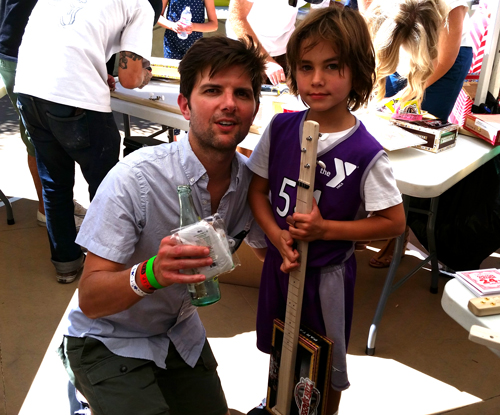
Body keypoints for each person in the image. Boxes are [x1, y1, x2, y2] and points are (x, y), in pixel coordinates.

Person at [58, 36, 267, 415]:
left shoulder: (250, 187)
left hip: (177, 332)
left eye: (243, 93)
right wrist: (153, 272)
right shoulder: (135, 179)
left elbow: (274, 255)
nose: (229, 104)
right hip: (106, 339)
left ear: (254, 109)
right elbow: (90, 298)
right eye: (213, 90)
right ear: (185, 105)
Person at [247, 7, 405, 414]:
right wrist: (275, 234)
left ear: (355, 71)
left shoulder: (366, 152)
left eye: (332, 66)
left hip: (327, 278)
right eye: (306, 67)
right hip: (281, 267)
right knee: (282, 348)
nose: (316, 79)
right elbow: (258, 192)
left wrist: (325, 230)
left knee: (323, 363)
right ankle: (279, 402)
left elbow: (393, 223)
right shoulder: (280, 129)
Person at [14, 0, 166, 284]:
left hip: (29, 88)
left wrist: (96, 72)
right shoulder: (143, 5)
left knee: (54, 183)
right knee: (108, 187)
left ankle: (66, 264)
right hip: (72, 98)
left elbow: (68, 39)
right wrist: (144, 74)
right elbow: (131, 79)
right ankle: (108, 264)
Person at [359, 0, 473, 267]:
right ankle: (375, 216)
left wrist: (413, 89)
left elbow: (444, 56)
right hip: (398, 45)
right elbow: (369, 21)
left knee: (415, 149)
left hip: (442, 62)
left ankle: (400, 229)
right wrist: (381, 78)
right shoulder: (392, 29)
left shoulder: (448, 8)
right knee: (381, 132)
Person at [0, 0, 45, 224]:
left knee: (39, 134)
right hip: (22, 55)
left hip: (20, 52)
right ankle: (48, 210)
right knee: (40, 136)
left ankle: (52, 207)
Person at [227, 0, 307, 85]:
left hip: (284, 49)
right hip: (247, 48)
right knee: (243, 93)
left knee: (288, 95)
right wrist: (266, 60)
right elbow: (236, 18)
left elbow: (317, 12)